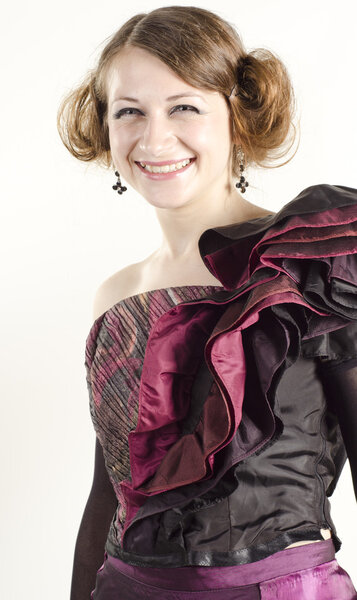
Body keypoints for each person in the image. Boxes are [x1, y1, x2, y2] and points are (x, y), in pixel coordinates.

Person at [57, 6, 357, 599]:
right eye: (129, 112)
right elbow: (108, 499)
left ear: (238, 118)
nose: (154, 137)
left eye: (184, 107)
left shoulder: (314, 260)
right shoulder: (115, 297)